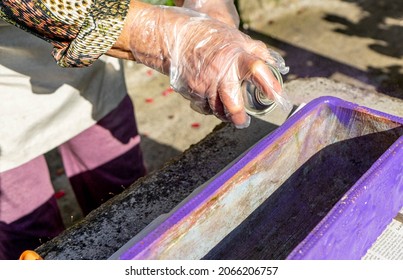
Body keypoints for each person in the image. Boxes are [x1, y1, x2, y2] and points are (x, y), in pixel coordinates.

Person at [0, 0, 289, 259]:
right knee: (27, 224)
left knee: (123, 195)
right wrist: (169, 37)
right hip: (7, 85)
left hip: (94, 73)